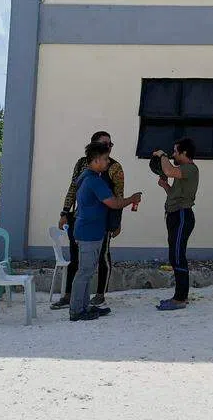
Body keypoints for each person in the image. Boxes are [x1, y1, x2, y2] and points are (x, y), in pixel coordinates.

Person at [52, 131, 125, 310]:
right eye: (104, 144)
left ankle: (99, 295)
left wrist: (117, 222)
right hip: (81, 218)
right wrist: (64, 212)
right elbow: (73, 188)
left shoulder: (115, 167)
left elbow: (118, 196)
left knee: (102, 258)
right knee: (76, 259)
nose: (108, 147)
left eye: (110, 144)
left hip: (103, 220)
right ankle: (70, 297)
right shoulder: (82, 165)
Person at [69, 141, 142, 321]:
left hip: (90, 230)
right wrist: (131, 199)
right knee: (84, 272)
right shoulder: (93, 180)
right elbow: (113, 203)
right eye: (105, 158)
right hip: (89, 232)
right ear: (95, 160)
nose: (108, 162)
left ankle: (84, 306)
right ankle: (76, 310)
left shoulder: (87, 177)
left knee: (87, 271)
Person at [153, 137, 200, 311]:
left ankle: (180, 299)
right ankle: (180, 296)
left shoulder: (190, 168)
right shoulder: (183, 171)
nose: (173, 155)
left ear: (184, 153)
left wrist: (162, 155)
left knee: (178, 256)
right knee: (175, 256)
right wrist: (166, 186)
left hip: (182, 216)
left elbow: (169, 170)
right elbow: (174, 193)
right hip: (175, 215)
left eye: (175, 151)